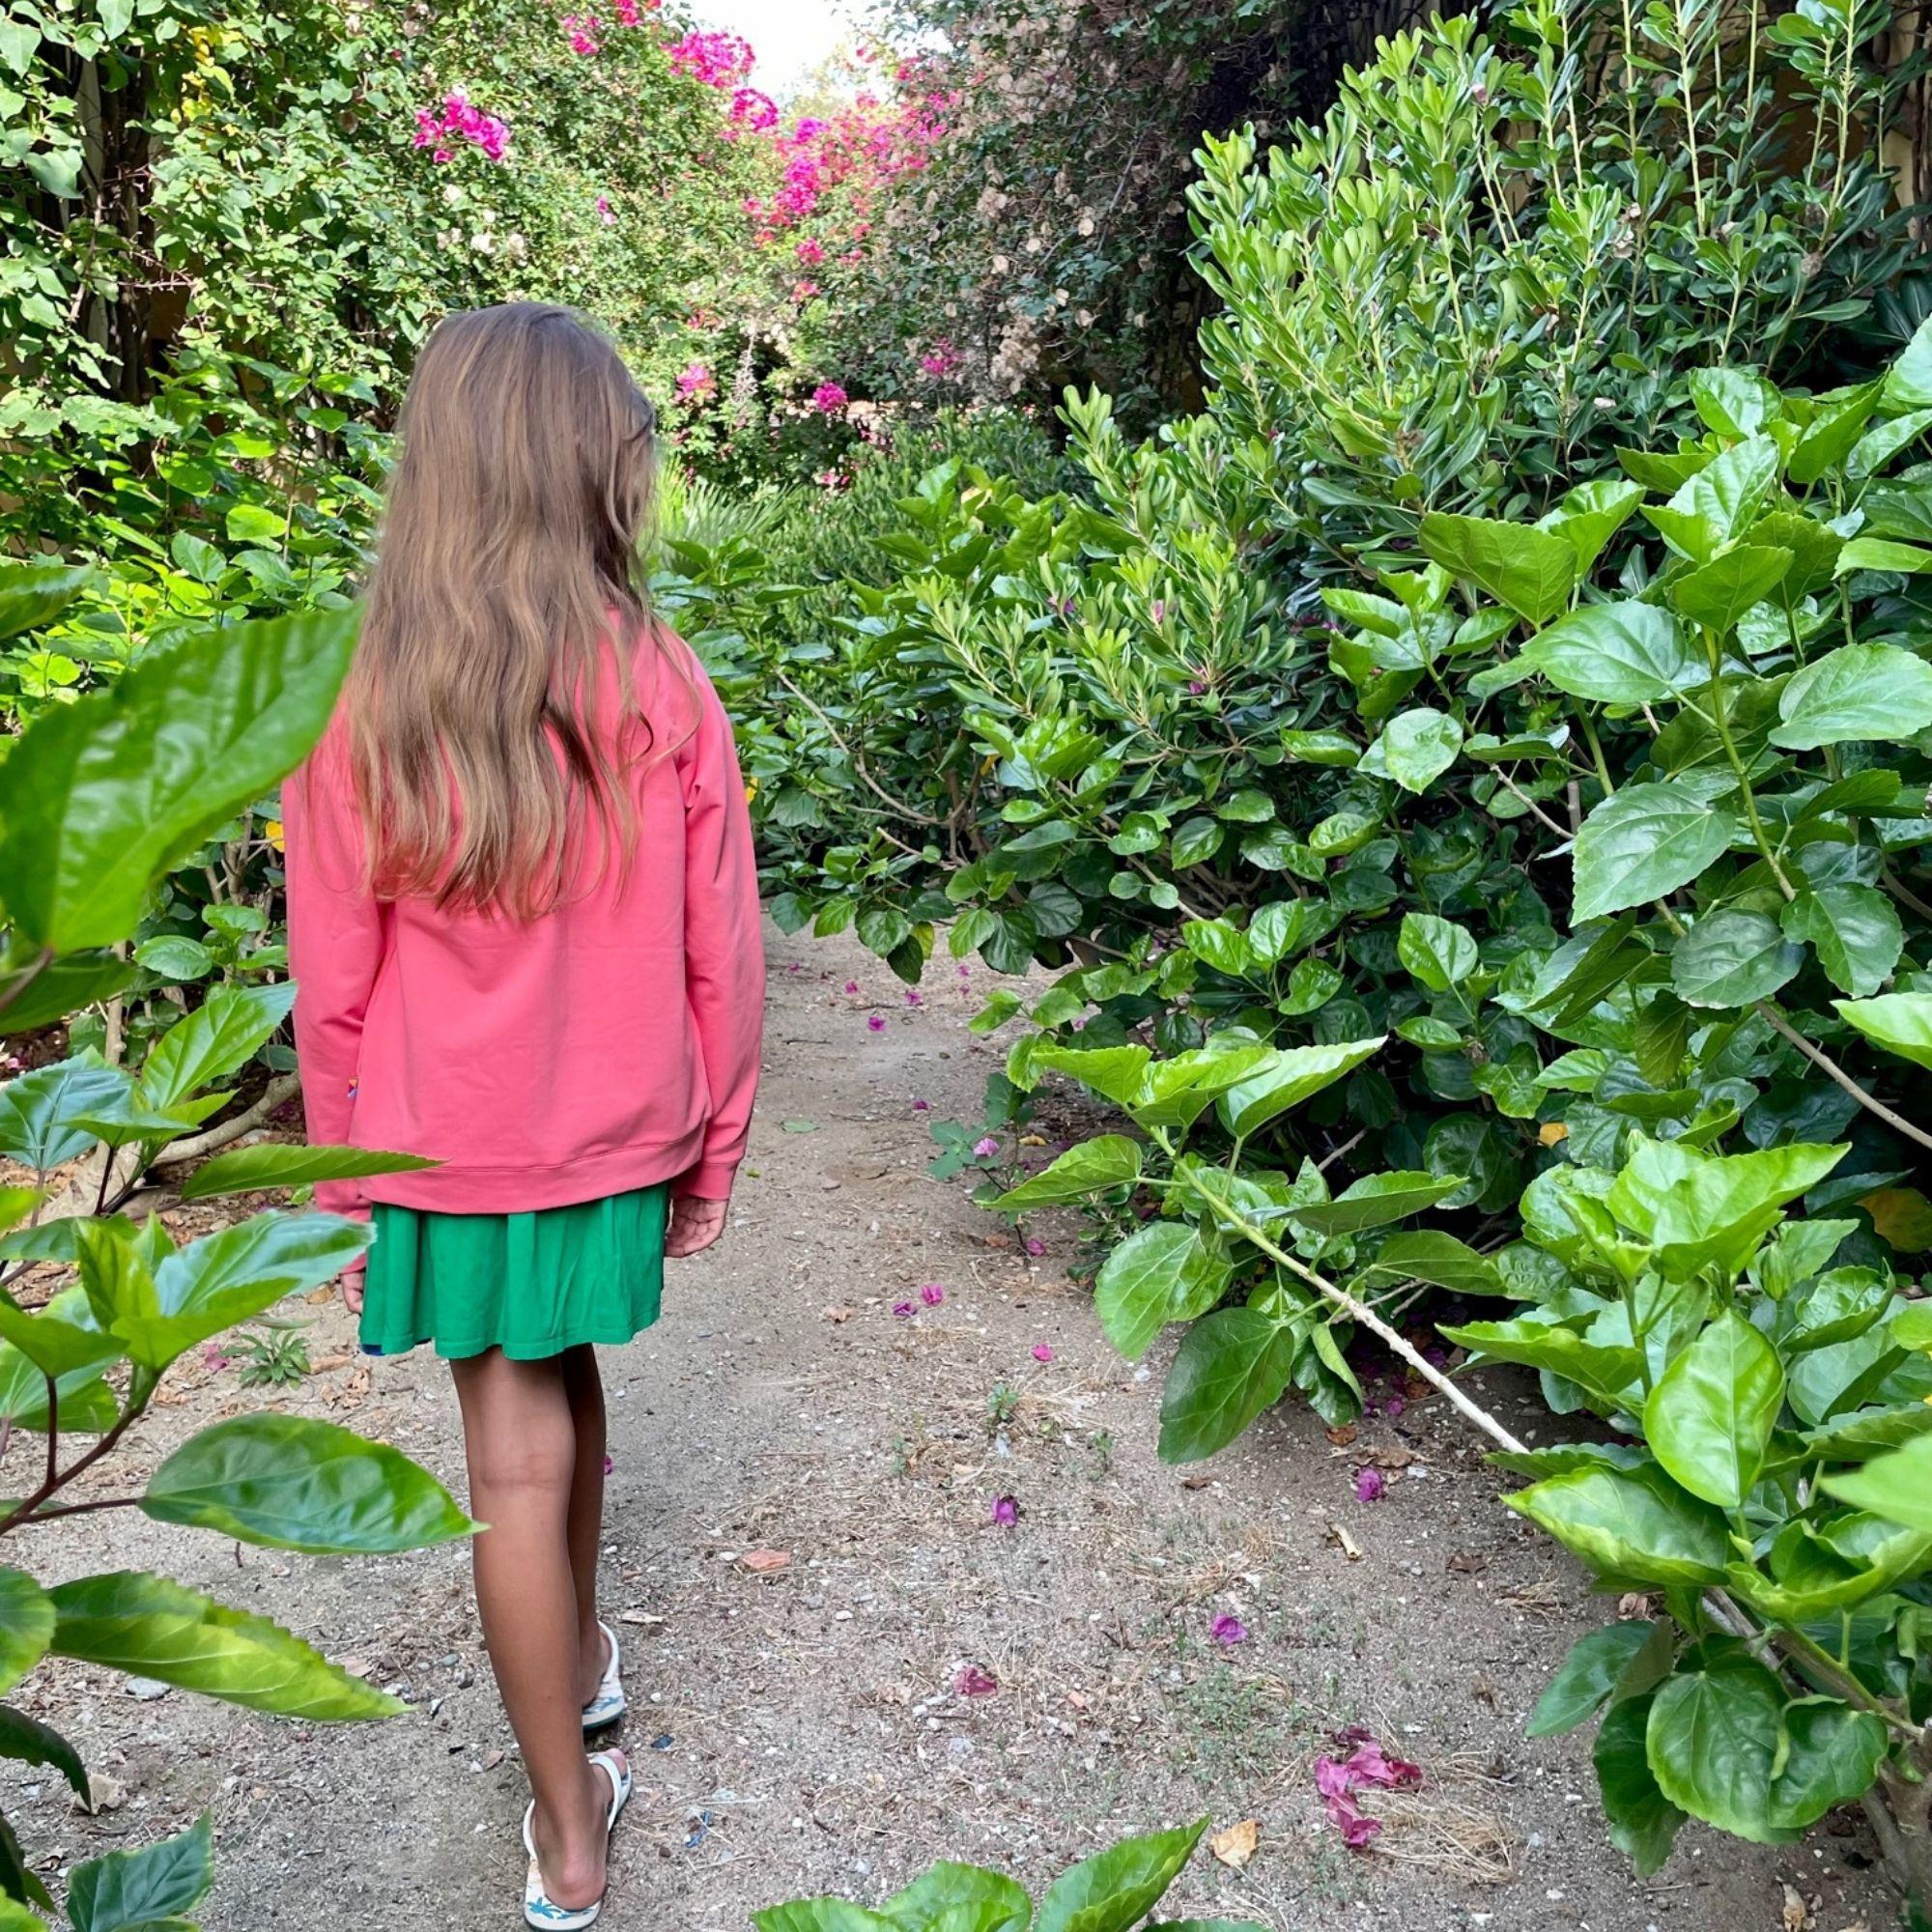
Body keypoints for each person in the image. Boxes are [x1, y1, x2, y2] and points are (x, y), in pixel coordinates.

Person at [283, 302, 763, 1929]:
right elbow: (724, 943)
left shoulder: (369, 699)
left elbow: (331, 963)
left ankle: (567, 1828)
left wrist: (344, 1153)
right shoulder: (657, 679)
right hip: (613, 1131)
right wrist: (716, 1141)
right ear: (585, 473)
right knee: (563, 1399)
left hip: (449, 1141)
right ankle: (577, 1784)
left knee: (518, 1441)